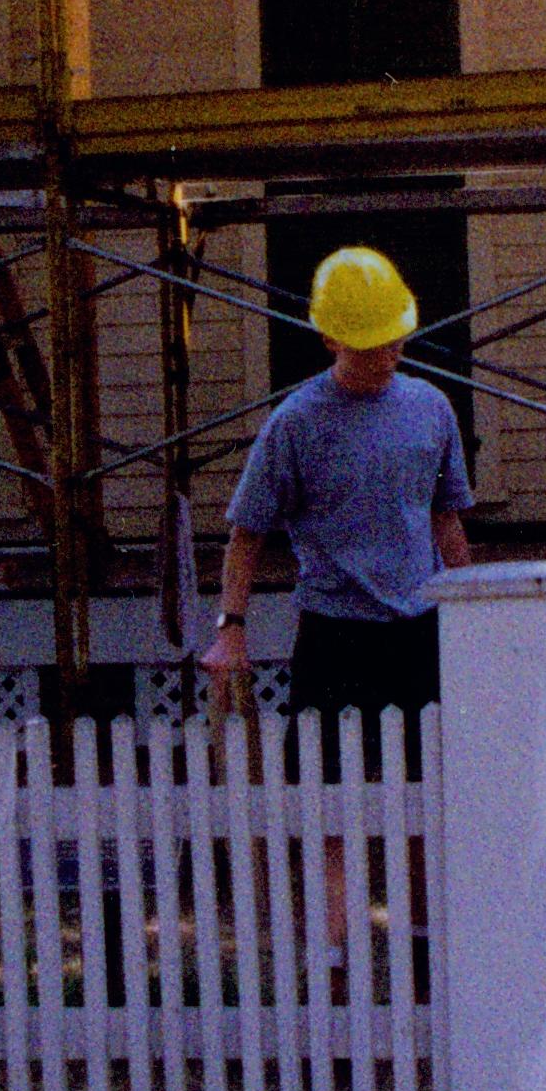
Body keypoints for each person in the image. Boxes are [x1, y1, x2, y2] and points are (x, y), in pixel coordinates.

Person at [200, 245, 473, 737]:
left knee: (430, 774)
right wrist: (231, 629)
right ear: (331, 339)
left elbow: (445, 519)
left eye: (394, 342)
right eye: (370, 346)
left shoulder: (431, 410)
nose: (387, 357)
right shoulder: (297, 423)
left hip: (420, 626)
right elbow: (247, 533)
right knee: (324, 784)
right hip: (335, 632)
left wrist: (476, 609)